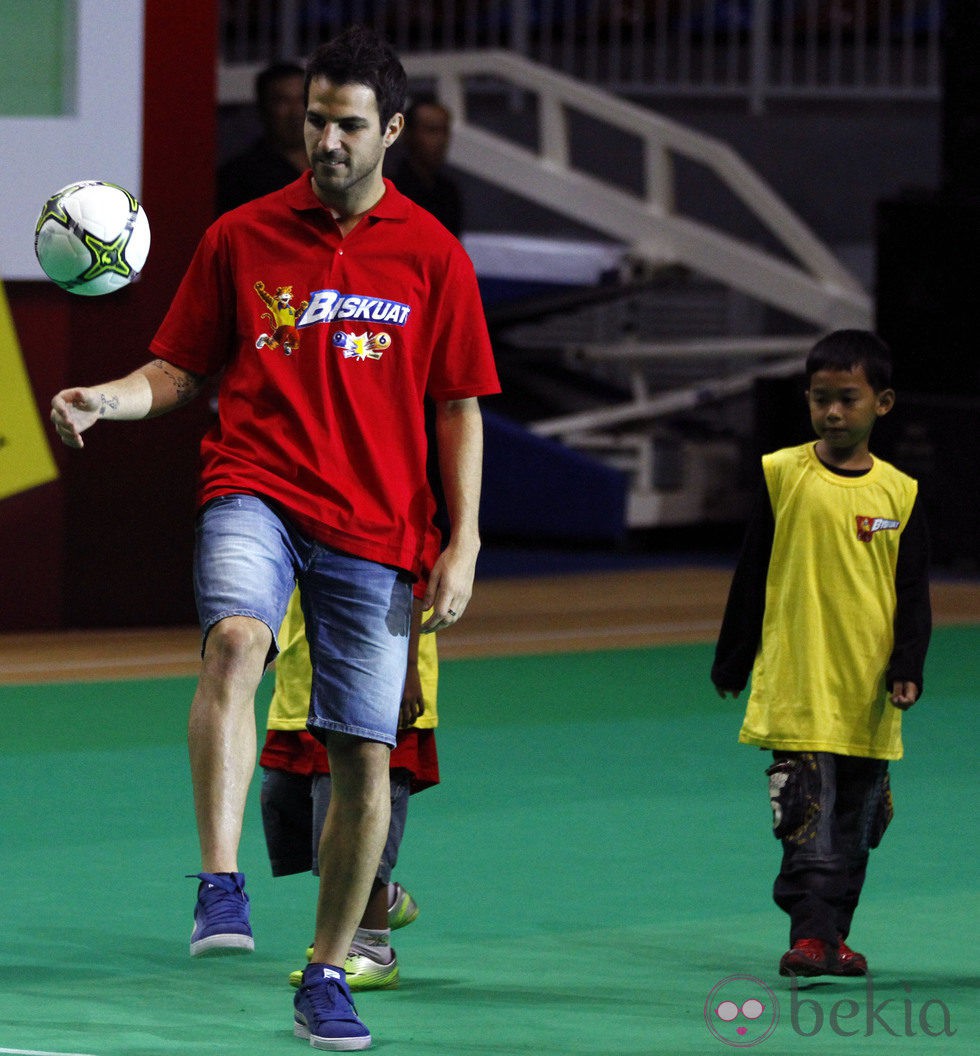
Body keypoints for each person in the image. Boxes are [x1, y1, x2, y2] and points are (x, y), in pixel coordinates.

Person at [51, 25, 499, 1052]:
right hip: (253, 487)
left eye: (347, 124)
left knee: (360, 756)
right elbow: (177, 370)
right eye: (313, 120)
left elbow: (460, 406)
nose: (326, 140)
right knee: (237, 641)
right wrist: (106, 400)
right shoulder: (242, 235)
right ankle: (219, 885)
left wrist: (464, 540)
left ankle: (329, 968)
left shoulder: (431, 254)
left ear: (389, 130)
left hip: (380, 526)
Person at [711, 329, 931, 980]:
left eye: (848, 399)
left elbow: (912, 592)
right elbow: (752, 571)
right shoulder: (784, 476)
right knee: (806, 816)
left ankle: (835, 937)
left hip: (866, 694)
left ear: (882, 404)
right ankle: (809, 938)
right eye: (821, 399)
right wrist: (734, 656)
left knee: (859, 824)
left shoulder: (901, 493)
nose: (833, 412)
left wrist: (907, 667)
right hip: (798, 685)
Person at [261, 588, 440, 991]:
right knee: (284, 801)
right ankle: (373, 901)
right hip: (302, 689)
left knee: (348, 811)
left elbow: (414, 585)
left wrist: (408, 670)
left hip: (376, 688)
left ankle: (373, 949)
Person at [216, 61, 308, 215]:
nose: (297, 112)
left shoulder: (338, 164)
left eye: (302, 99)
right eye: (283, 101)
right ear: (263, 108)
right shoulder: (239, 177)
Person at [389, 94, 463, 237]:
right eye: (432, 131)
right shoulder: (391, 192)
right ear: (409, 134)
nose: (441, 140)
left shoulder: (449, 192)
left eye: (444, 131)